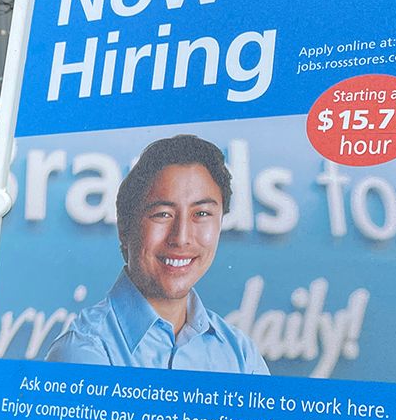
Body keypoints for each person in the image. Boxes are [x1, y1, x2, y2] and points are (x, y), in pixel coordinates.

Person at [42, 135, 268, 374]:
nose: (181, 238)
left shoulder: (241, 356)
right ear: (124, 228)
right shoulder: (83, 353)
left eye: (201, 214)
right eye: (162, 214)